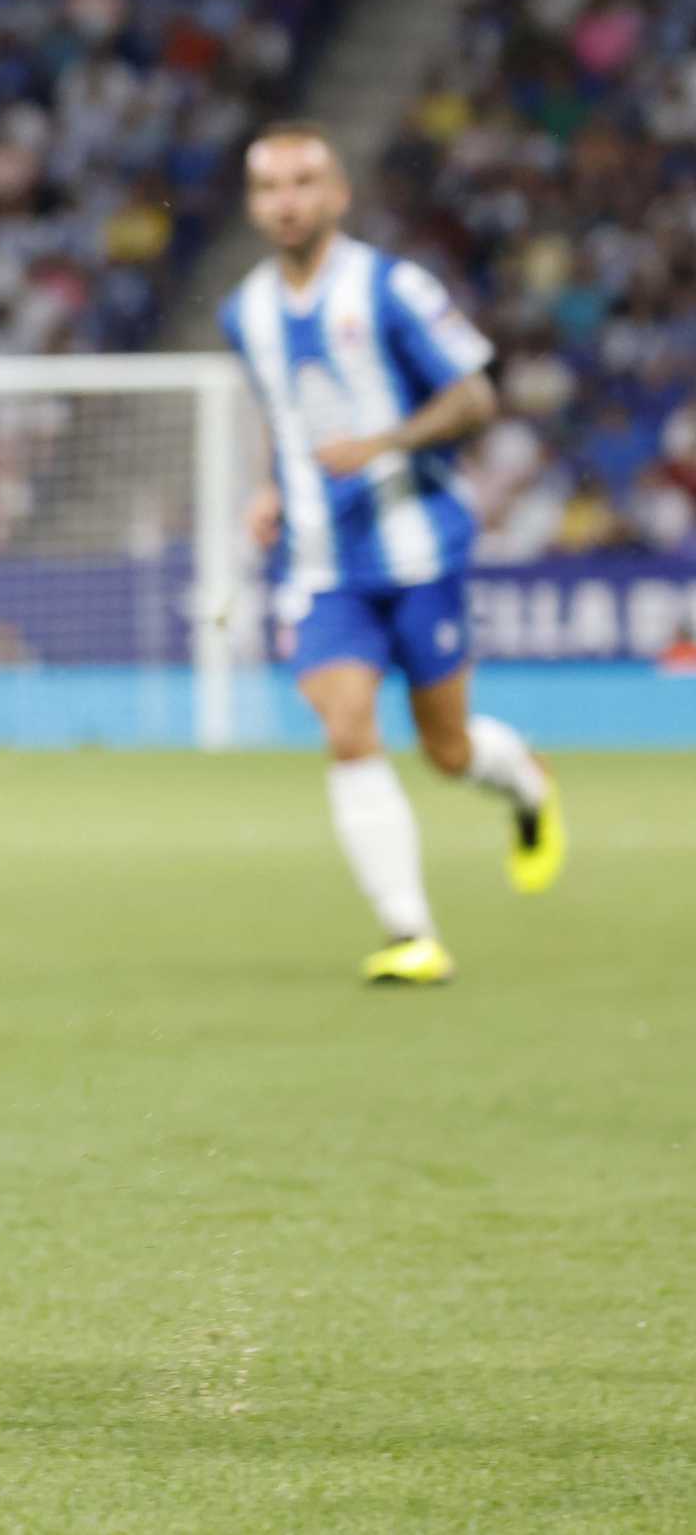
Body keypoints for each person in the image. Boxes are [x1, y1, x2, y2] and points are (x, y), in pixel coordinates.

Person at [220, 125, 565, 985]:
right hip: (322, 563)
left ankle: (525, 785)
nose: (287, 201)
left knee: (447, 749)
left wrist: (384, 442)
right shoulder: (245, 312)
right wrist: (269, 489)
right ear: (253, 205)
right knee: (347, 727)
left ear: (338, 194)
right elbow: (282, 414)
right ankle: (410, 931)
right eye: (269, 187)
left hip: (419, 549)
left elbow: (474, 398)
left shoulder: (391, 287)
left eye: (304, 182)